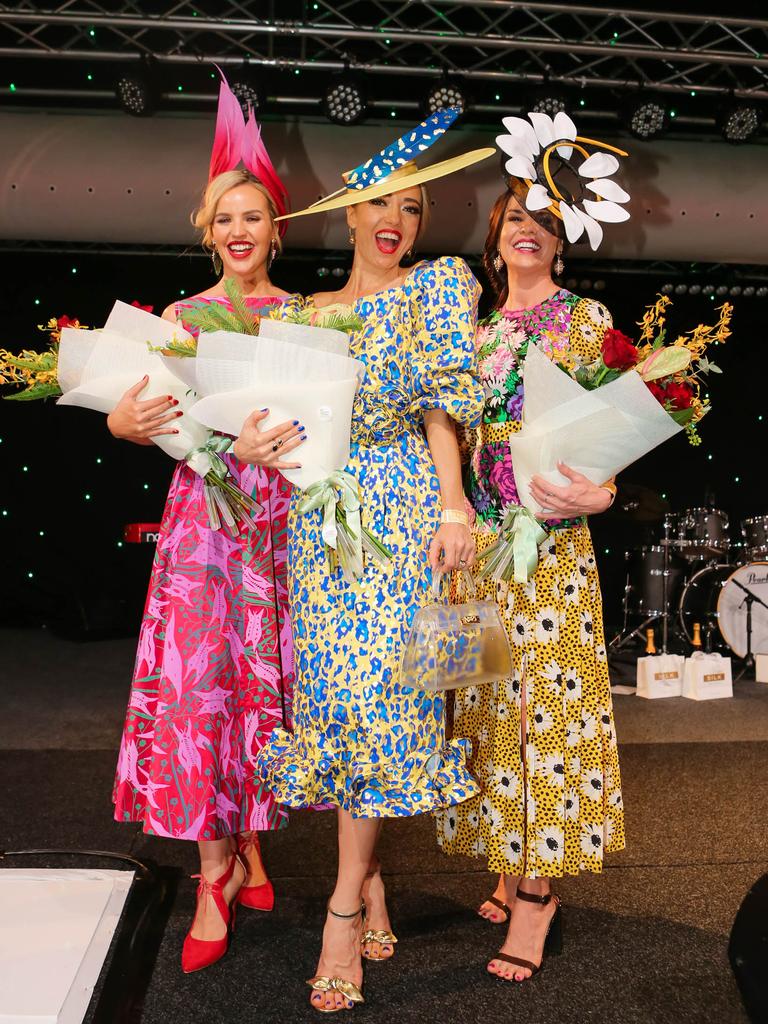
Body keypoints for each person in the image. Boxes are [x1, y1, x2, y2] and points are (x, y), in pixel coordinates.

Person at [234, 109, 493, 1012]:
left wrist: (456, 505)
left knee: (387, 702)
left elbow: (439, 411)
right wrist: (259, 446)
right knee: (338, 704)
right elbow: (278, 425)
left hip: (409, 514)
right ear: (348, 212)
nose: (400, 220)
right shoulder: (303, 315)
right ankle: (370, 879)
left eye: (415, 209)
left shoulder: (435, 289)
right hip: (326, 523)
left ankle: (342, 908)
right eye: (384, 203)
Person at [110, 75, 301, 973]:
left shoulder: (305, 321)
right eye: (225, 217)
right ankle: (212, 872)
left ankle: (253, 836)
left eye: (253, 217)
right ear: (207, 229)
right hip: (202, 531)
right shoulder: (178, 323)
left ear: (276, 230)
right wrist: (122, 419)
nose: (239, 231)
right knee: (202, 694)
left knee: (269, 691)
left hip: (282, 528)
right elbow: (144, 415)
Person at [437, 111, 630, 984]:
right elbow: (449, 436)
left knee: (544, 717)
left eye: (545, 221)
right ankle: (507, 858)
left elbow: (614, 446)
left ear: (561, 242)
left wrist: (605, 491)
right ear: (496, 235)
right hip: (476, 546)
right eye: (516, 214)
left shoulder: (587, 322)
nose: (528, 229)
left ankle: (539, 894)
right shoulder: (468, 333)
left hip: (550, 547)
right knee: (480, 711)